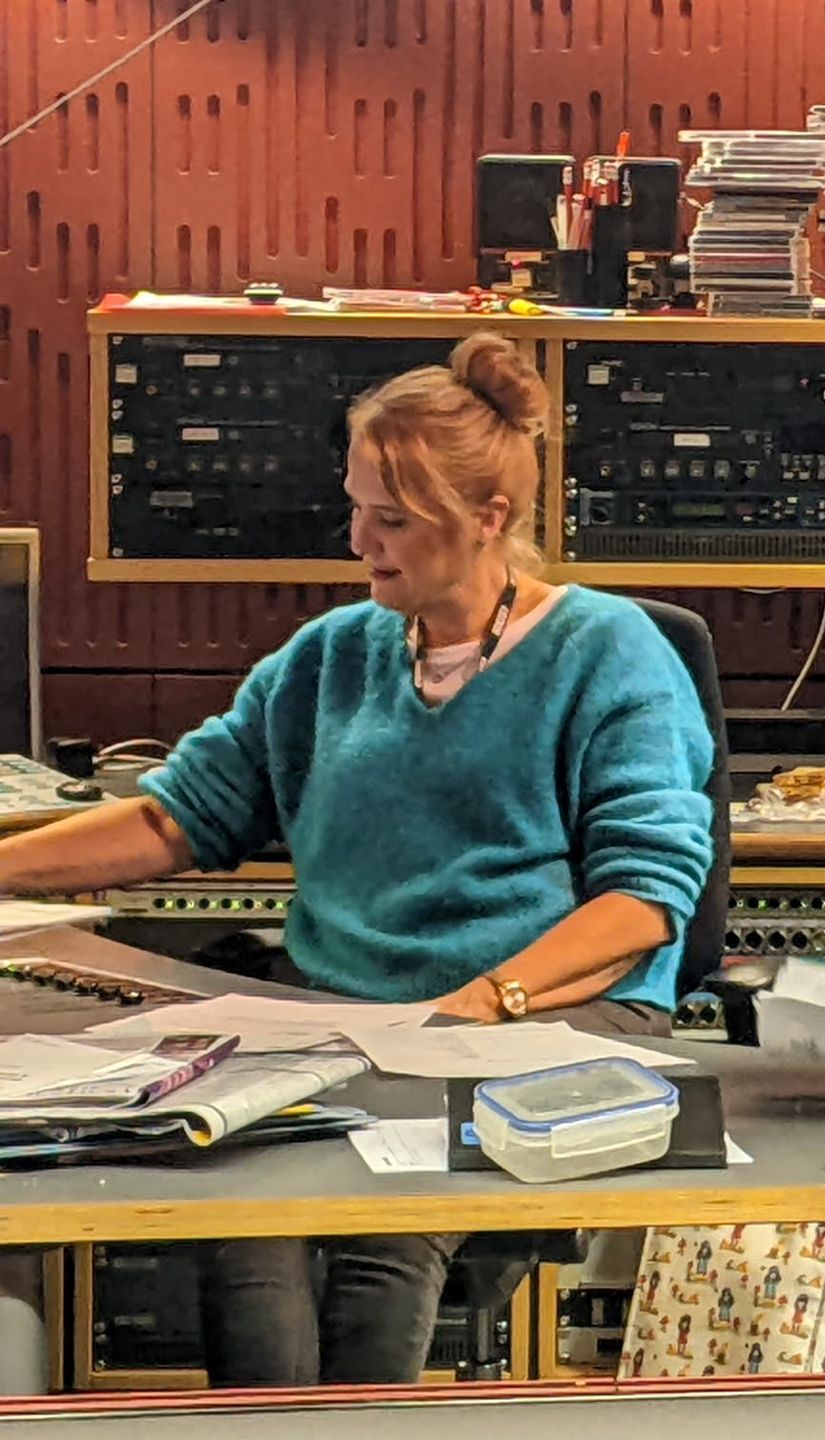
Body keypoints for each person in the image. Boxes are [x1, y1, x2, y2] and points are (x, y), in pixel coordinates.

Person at [0, 332, 716, 1384]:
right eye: (356, 509)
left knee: (389, 1238)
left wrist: (484, 1004)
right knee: (241, 1218)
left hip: (542, 1017)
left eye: (393, 520)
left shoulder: (608, 653)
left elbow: (647, 905)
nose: (360, 542)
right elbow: (172, 819)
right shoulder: (331, 656)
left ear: (490, 519)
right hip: (352, 1018)